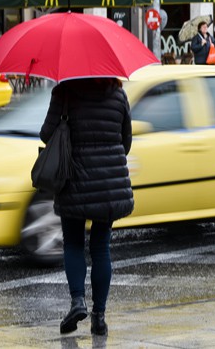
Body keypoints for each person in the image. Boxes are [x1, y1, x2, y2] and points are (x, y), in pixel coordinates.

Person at [39, 78, 134, 337]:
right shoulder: (118, 94)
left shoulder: (64, 92)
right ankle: (99, 317)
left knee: (73, 244)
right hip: (109, 183)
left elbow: (46, 134)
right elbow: (126, 142)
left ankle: (77, 300)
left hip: (74, 181)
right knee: (101, 247)